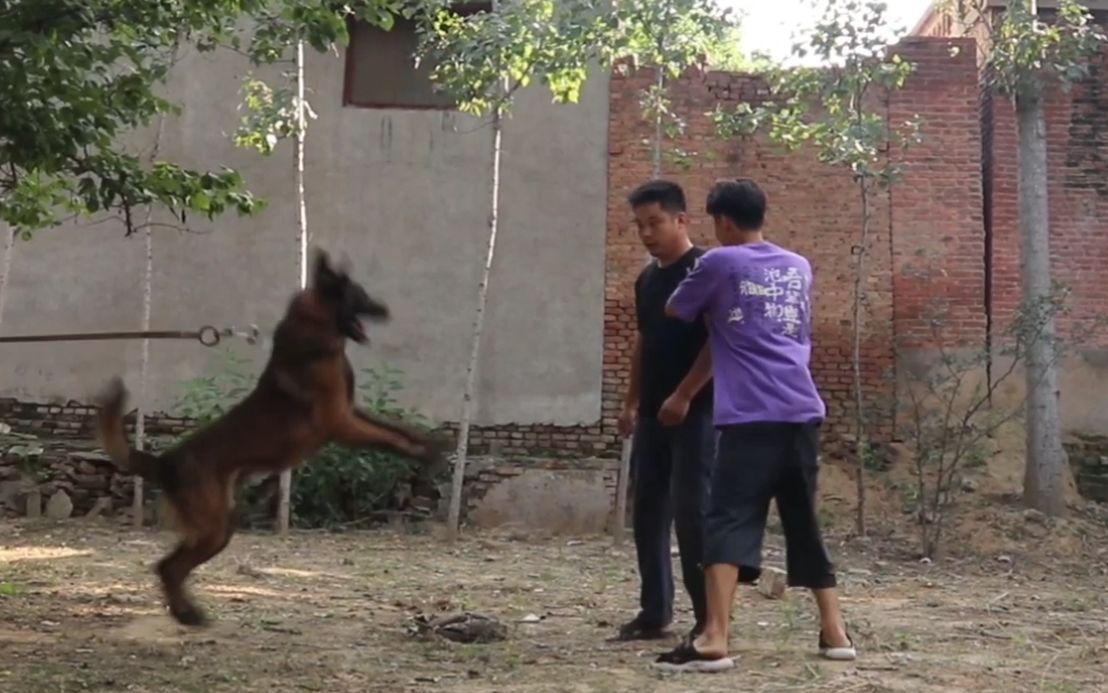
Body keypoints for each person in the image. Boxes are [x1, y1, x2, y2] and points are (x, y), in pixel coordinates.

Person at [652, 178, 856, 672]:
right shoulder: (798, 266)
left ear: (722, 221)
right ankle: (835, 632)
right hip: (802, 411)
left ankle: (714, 637)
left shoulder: (719, 262)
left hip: (750, 417)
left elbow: (675, 308)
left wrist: (713, 304)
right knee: (802, 521)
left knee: (726, 519)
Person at [613, 179, 716, 643]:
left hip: (699, 413)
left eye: (655, 222)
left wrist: (686, 395)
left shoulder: (707, 270)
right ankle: (654, 612)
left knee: (693, 515)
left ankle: (708, 620)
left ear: (681, 219)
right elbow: (643, 341)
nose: (647, 233)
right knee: (648, 513)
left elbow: (721, 341)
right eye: (640, 226)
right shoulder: (647, 279)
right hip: (654, 413)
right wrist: (632, 401)